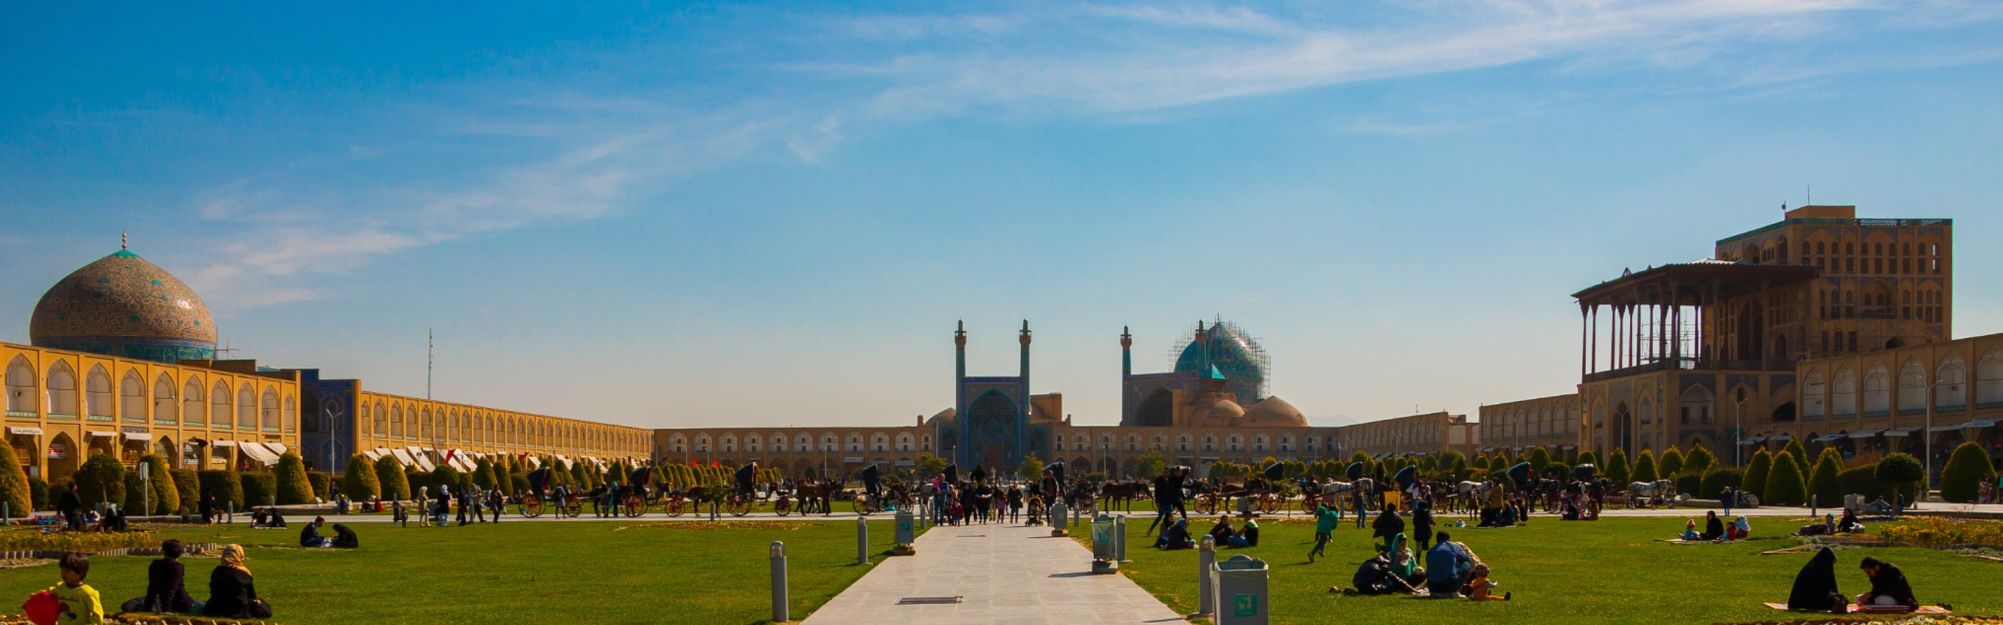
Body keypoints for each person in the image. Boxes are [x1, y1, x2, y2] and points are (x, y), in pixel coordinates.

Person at [123, 539, 195, 614]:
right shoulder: (177, 567)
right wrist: (166, 610)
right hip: (182, 604)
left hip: (167, 601)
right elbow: (171, 589)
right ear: (180, 553)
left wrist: (147, 607)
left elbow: (152, 587)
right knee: (202, 605)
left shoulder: (155, 565)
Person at [202, 545, 271, 619]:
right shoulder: (243, 574)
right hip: (237, 611)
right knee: (262, 603)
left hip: (215, 608)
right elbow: (252, 595)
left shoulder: (217, 571)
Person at [46, 552, 103, 625]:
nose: (63, 573)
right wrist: (33, 600)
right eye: (62, 569)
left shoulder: (88, 593)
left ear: (80, 572)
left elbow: (97, 616)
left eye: (67, 570)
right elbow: (45, 595)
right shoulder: (60, 588)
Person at [1785, 546, 1847, 613]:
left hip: (1800, 601)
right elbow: (1819, 594)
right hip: (1807, 602)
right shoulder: (1816, 571)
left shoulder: (1811, 568)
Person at [1424, 531, 1476, 597]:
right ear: (1448, 538)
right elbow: (1467, 558)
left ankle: (1436, 591)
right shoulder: (1453, 546)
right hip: (1449, 584)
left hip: (1432, 586)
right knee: (1466, 564)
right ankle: (1455, 591)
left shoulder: (1431, 550)